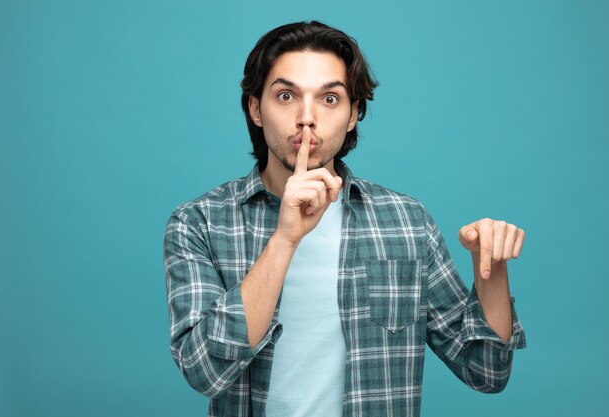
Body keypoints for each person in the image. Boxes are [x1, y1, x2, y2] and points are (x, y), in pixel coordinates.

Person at [163, 20, 526, 417]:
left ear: (354, 113)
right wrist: (284, 241)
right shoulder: (199, 222)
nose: (307, 117)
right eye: (286, 95)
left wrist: (490, 266)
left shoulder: (406, 222)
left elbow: (487, 371)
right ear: (256, 108)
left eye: (330, 99)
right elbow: (203, 372)